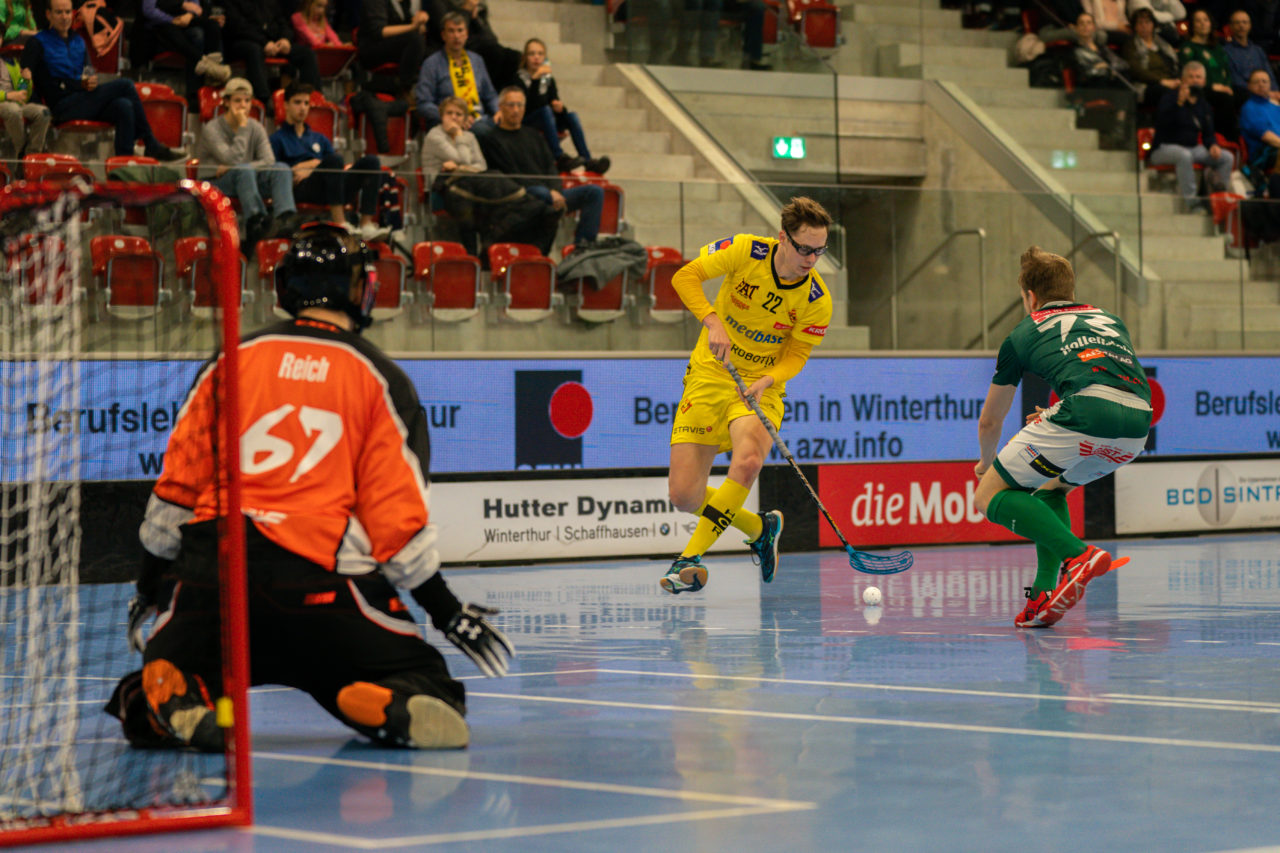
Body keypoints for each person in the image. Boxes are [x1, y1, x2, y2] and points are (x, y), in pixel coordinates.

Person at [107, 223, 514, 752]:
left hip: (214, 582)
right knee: (429, 685)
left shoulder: (230, 360)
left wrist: (148, 590)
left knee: (144, 695)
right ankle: (354, 689)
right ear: (358, 289)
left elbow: (173, 500)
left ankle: (184, 695)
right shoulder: (379, 376)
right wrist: (448, 611)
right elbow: (397, 525)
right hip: (319, 586)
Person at [659, 197, 833, 595]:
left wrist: (770, 379)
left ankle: (689, 559)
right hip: (709, 374)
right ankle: (759, 527)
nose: (811, 259)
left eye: (820, 251)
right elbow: (684, 277)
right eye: (804, 248)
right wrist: (712, 320)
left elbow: (797, 355)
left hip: (758, 385)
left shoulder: (816, 300)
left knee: (750, 458)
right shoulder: (744, 250)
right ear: (782, 239)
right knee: (684, 495)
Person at [973, 246, 1151, 628]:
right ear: (1071, 290)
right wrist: (1060, 420)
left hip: (1083, 414)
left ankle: (1078, 555)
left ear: (1030, 297)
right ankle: (1040, 595)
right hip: (1138, 426)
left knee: (987, 496)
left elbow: (990, 421)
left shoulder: (1022, 333)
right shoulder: (1111, 319)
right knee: (1051, 488)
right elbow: (1109, 380)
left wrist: (986, 462)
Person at [21, 0, 184, 159]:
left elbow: (88, 72)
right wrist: (37, 107)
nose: (64, 17)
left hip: (83, 98)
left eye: (67, 12)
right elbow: (25, 77)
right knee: (125, 85)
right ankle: (150, 143)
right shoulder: (37, 42)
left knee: (124, 106)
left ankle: (122, 168)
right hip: (61, 105)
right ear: (48, 15)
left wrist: (91, 81)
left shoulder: (78, 41)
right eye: (59, 12)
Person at [479, 85, 604, 248]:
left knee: (594, 192)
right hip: (519, 195)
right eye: (511, 105)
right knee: (540, 193)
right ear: (500, 107)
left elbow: (550, 167)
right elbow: (512, 175)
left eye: (520, 105)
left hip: (549, 193)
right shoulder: (492, 139)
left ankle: (583, 246)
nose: (516, 110)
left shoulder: (534, 135)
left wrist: (556, 191)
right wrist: (550, 193)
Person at [269, 82, 389, 241]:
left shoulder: (319, 138)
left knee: (371, 162)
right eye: (297, 102)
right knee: (334, 160)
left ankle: (366, 224)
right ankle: (340, 222)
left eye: (306, 103)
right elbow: (276, 176)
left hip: (330, 186)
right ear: (286, 105)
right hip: (302, 189)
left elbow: (334, 166)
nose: (303, 108)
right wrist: (301, 169)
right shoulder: (277, 139)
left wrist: (310, 166)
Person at [196, 77, 298, 250]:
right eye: (237, 100)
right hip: (216, 183)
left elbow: (268, 160)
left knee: (281, 168)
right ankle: (256, 221)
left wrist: (242, 166)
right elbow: (232, 160)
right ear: (226, 102)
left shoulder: (256, 127)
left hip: (245, 178)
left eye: (247, 100)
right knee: (243, 170)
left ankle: (285, 219)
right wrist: (242, 128)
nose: (243, 105)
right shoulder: (212, 129)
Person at [516, 38, 609, 174]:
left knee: (572, 116)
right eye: (532, 54)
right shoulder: (519, 78)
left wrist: (560, 107)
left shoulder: (547, 80)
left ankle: (588, 160)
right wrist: (535, 79)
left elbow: (554, 100)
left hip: (547, 119)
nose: (536, 57)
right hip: (528, 120)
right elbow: (528, 105)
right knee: (545, 111)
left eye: (540, 54)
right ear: (525, 57)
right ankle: (559, 157)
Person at [1149, 61, 1232, 208]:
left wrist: (1213, 145)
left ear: (1204, 82)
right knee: (1183, 155)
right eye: (1191, 76)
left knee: (1226, 158)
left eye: (1198, 77)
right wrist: (1179, 102)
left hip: (1192, 148)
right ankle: (1192, 203)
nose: (1195, 80)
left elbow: (1208, 133)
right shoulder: (1169, 97)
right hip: (1163, 148)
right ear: (1183, 79)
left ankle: (1217, 202)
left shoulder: (1203, 104)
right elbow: (1162, 124)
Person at [413, 11, 499, 135]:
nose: (456, 36)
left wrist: (498, 111)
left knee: (507, 130)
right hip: (448, 122)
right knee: (486, 133)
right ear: (443, 35)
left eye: (460, 31)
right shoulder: (431, 63)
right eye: (451, 31)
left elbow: (490, 95)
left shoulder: (477, 60)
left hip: (478, 117)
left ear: (466, 34)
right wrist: (453, 116)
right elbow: (423, 103)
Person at [221, 0, 322, 103]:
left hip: (273, 43)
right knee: (254, 50)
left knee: (307, 54)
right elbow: (238, 26)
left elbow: (283, 22)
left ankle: (314, 100)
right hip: (243, 42)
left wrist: (285, 39)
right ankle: (264, 101)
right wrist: (264, 43)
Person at [138, 0, 231, 102]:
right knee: (195, 36)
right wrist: (172, 19)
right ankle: (206, 72)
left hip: (184, 19)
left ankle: (213, 78)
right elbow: (149, 10)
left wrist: (190, 15)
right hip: (160, 24)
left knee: (213, 25)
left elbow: (196, 7)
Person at [1177, 8, 1238, 140]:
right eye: (1198, 21)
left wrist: (1227, 86)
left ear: (1211, 23)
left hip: (1223, 88)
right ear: (1192, 26)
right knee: (1225, 99)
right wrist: (1212, 86)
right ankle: (1223, 139)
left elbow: (1226, 70)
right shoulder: (1188, 48)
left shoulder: (1217, 48)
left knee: (1245, 96)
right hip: (1200, 89)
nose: (1203, 23)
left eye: (1206, 20)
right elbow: (1188, 76)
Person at [358, 0, 434, 97]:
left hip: (397, 47)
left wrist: (420, 22)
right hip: (372, 50)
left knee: (433, 53)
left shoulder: (404, 3)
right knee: (415, 40)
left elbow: (410, 26)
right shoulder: (375, 2)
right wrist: (413, 27)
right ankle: (404, 88)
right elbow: (380, 31)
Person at [0, 28, 50, 157]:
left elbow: (23, 92)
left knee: (43, 112)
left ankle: (32, 155)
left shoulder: (11, 62)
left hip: (16, 104)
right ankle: (20, 150)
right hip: (4, 103)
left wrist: (26, 81)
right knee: (13, 110)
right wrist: (7, 95)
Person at [1121, 7, 1180, 108]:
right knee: (1168, 93)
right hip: (1147, 85)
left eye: (1147, 22)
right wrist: (1161, 81)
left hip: (1170, 80)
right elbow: (1137, 71)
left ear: (1153, 25)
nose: (1144, 26)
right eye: (1140, 23)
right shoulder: (1131, 45)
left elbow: (1175, 64)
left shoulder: (1163, 44)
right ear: (1135, 27)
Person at [1222, 9, 1278, 102]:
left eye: (1245, 22)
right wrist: (1262, 91)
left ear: (1250, 25)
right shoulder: (1226, 51)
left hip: (1267, 92)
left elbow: (1269, 75)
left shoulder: (1258, 50)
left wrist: (1275, 91)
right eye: (1237, 22)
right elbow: (1235, 80)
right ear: (1230, 26)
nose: (1241, 26)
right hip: (1246, 95)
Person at [1238, 68, 1280, 180]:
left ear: (1270, 85)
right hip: (1263, 155)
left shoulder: (1275, 107)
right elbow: (1268, 137)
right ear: (1249, 86)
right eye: (1256, 82)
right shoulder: (1249, 108)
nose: (1261, 84)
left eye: (1264, 81)